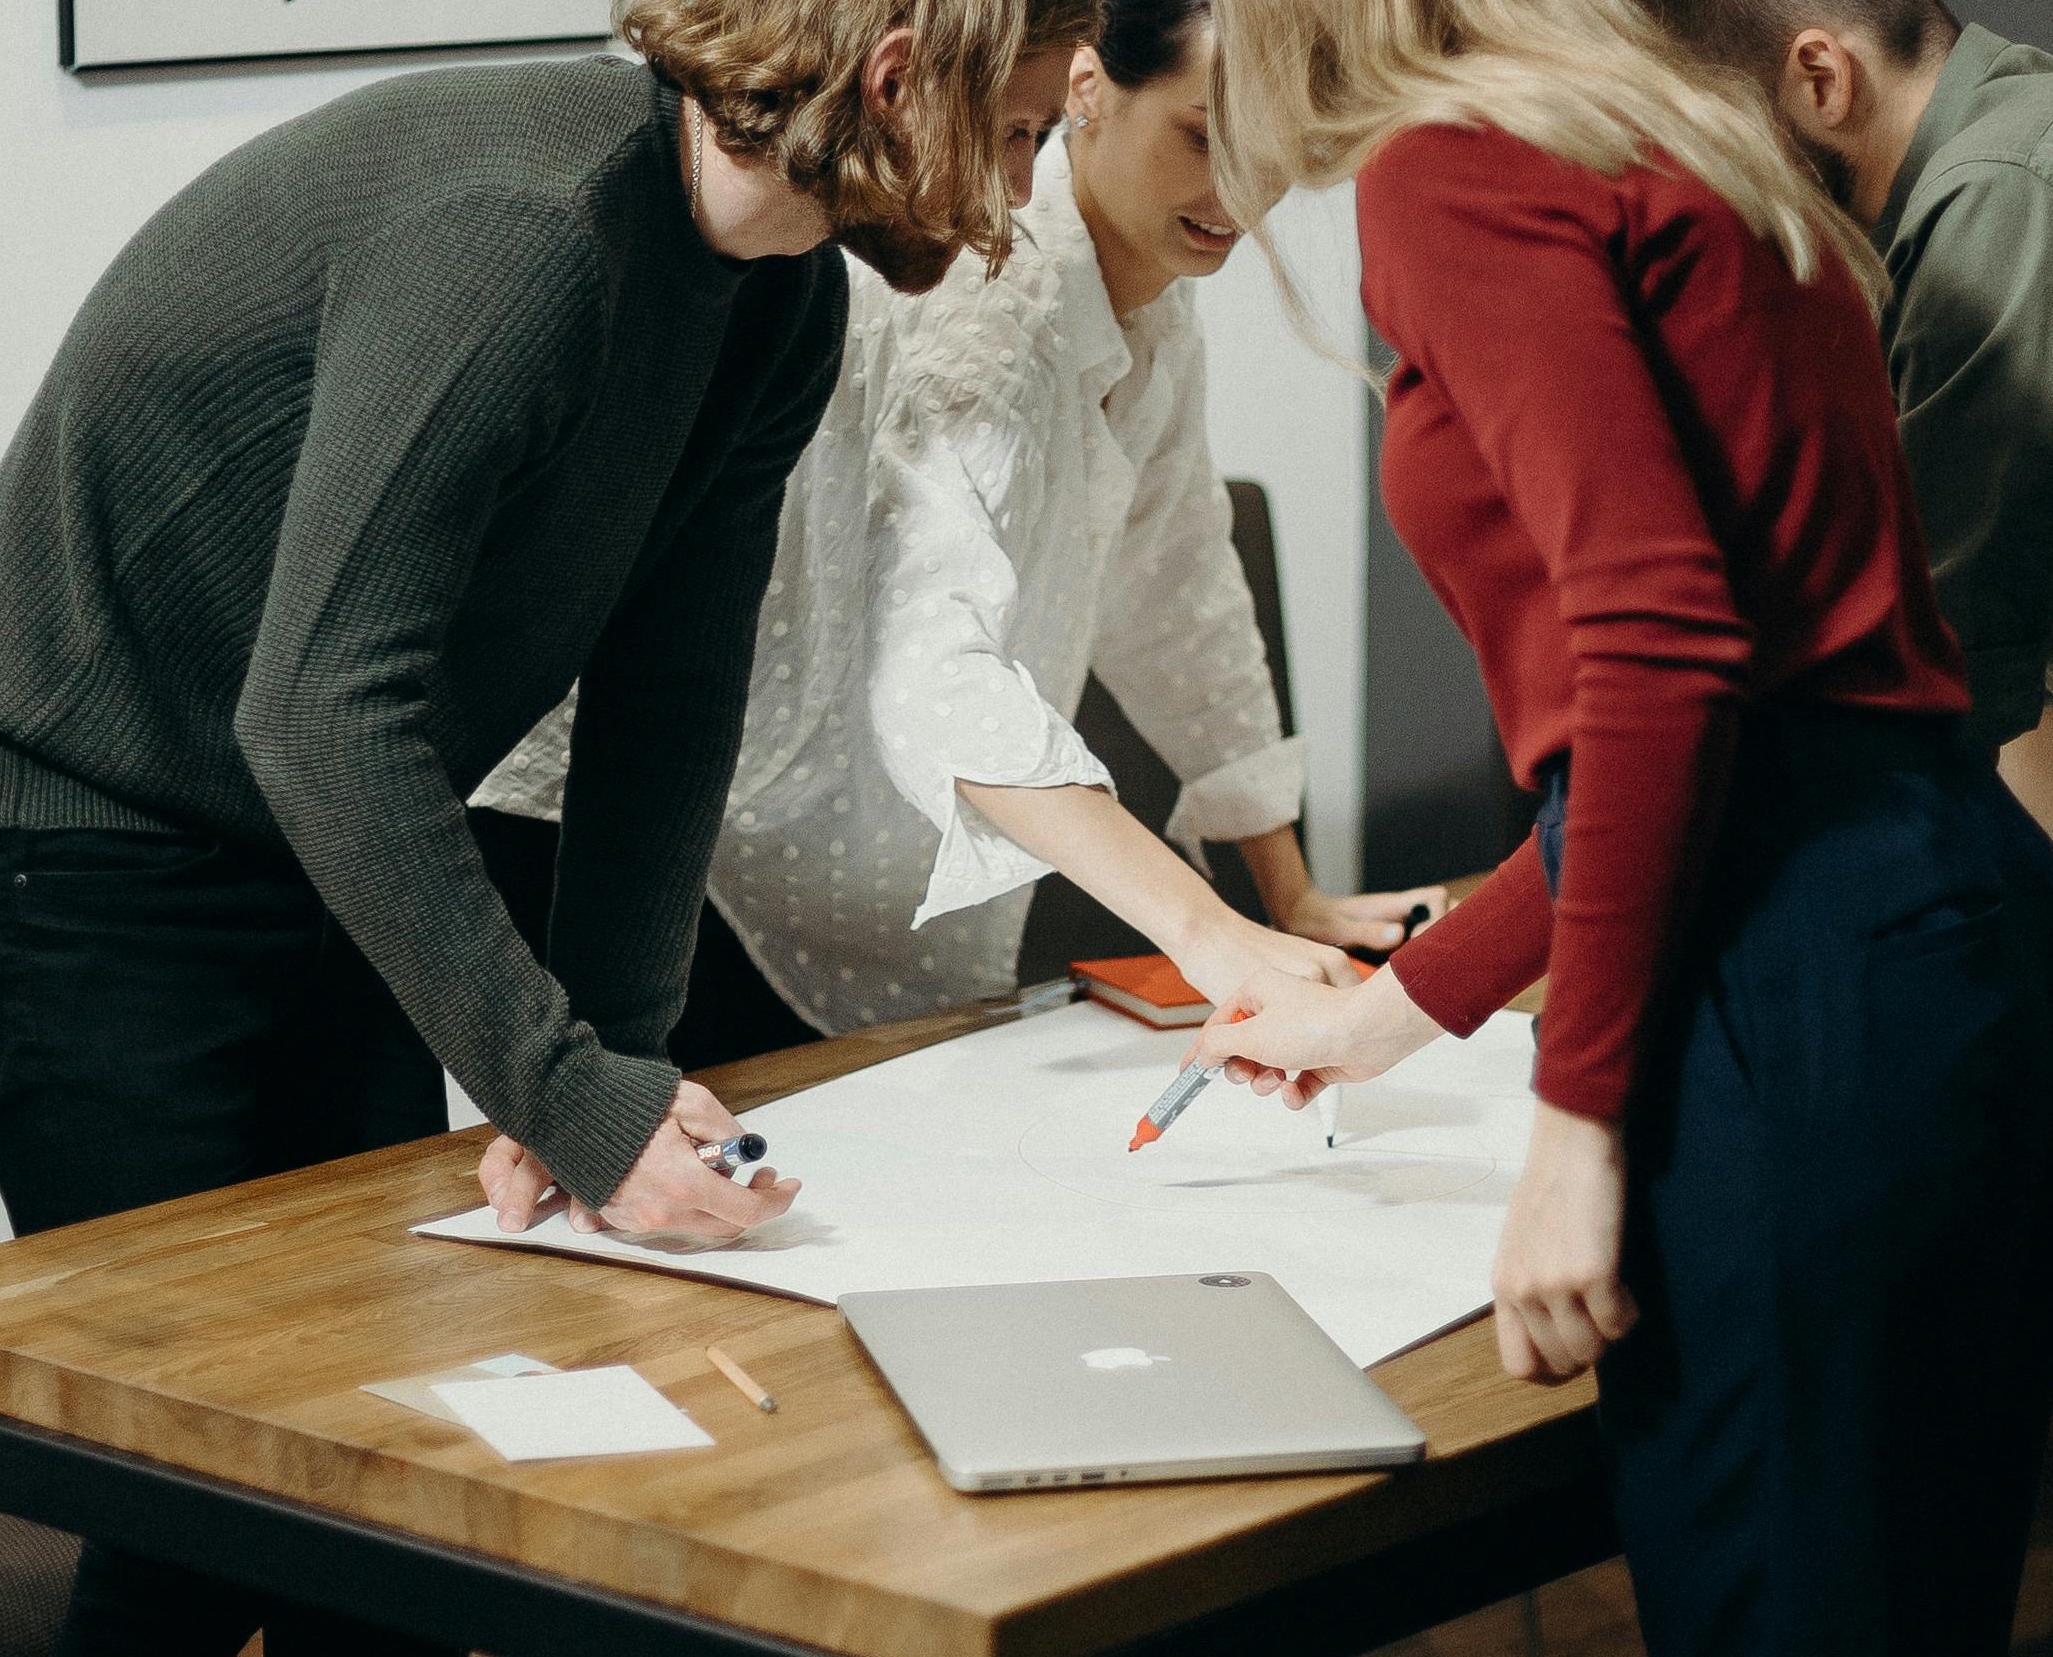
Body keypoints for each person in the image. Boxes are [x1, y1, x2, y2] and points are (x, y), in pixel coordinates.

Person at [0, 1, 1038, 1657]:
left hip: (309, 836)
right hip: (70, 831)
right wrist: (560, 1084)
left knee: (386, 1486)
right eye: (1009, 118)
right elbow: (321, 709)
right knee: (184, 1506)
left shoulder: (775, 304)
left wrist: (602, 1066)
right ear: (893, 70)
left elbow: (664, 700)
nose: (1025, 175)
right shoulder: (529, 236)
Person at [1202, 1, 2053, 1657]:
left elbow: (1658, 647)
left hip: (1786, 981)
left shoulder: (1446, 172)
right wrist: (1403, 1007)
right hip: (1941, 915)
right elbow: (1784, 690)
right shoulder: (1682, 128)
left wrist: (1574, 1129)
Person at [471, 0, 1444, 1087]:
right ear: (1087, 88)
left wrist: (1287, 889)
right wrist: (1207, 930)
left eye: (1270, 155)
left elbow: (1180, 594)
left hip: (789, 821)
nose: (1234, 195)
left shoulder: (1155, 308)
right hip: (660, 820)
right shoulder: (995, 293)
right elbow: (932, 669)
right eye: (1200, 138)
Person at [1650, 1, 2053, 834]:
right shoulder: (1998, 146)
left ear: (1823, 80)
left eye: (1720, 126)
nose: (1710, 176)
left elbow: (1947, 645)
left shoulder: (1996, 188)